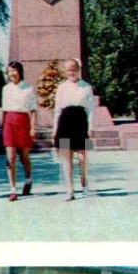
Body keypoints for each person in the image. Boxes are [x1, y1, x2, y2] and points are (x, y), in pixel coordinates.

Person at [52, 59, 94, 201]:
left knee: (84, 156)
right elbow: (57, 109)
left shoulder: (86, 87)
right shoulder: (61, 87)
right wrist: (55, 129)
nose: (71, 72)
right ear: (65, 71)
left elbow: (91, 110)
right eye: (68, 69)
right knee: (66, 156)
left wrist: (91, 127)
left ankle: (84, 181)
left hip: (81, 121)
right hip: (65, 122)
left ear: (78, 69)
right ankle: (70, 190)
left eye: (74, 68)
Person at [1, 61, 37, 201]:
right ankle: (12, 189)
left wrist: (33, 127)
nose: (12, 74)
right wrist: (3, 127)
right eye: (9, 71)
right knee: (10, 158)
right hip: (10, 121)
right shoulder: (6, 89)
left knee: (24, 157)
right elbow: (4, 110)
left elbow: (33, 110)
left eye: (14, 71)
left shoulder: (28, 88)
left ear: (20, 72)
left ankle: (28, 180)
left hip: (23, 121)